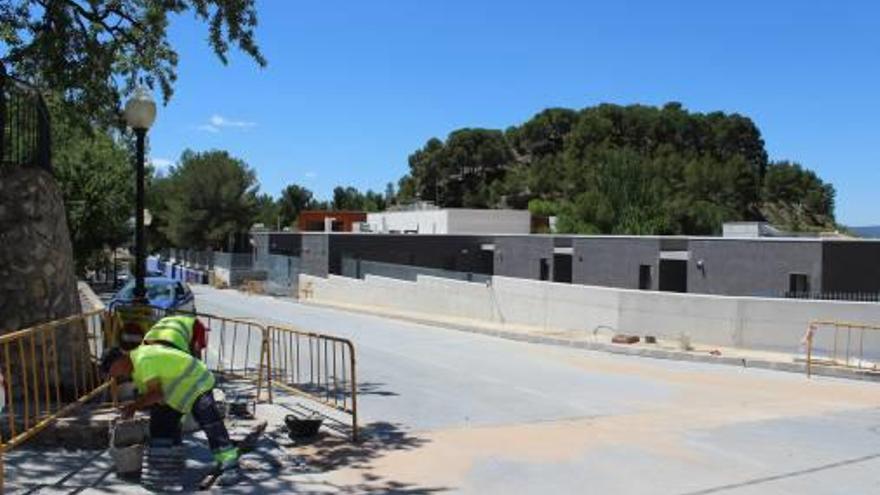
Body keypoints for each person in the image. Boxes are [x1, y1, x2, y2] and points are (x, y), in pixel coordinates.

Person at [100, 346, 239, 487]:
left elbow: (156, 394)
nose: (117, 376)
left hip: (197, 382)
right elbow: (155, 398)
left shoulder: (143, 360)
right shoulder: (136, 370)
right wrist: (138, 407)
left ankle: (230, 465)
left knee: (210, 421)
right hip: (179, 393)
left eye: (114, 371)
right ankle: (166, 464)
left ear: (119, 360)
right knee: (160, 423)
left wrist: (134, 407)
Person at [142, 314, 208, 357]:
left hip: (148, 341)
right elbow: (197, 349)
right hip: (173, 342)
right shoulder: (199, 326)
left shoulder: (169, 319)